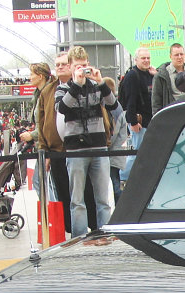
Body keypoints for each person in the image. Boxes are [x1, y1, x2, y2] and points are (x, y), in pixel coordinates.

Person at [56, 45, 122, 238]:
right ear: (70, 67)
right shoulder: (63, 88)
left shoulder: (96, 86)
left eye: (85, 65)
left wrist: (101, 82)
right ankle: (78, 237)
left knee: (103, 198)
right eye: (78, 66)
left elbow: (113, 105)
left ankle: (105, 234)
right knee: (77, 200)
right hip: (76, 150)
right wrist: (76, 84)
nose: (82, 69)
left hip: (99, 147)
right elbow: (62, 109)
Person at [36, 51, 73, 234]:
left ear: (71, 65)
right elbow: (41, 122)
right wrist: (44, 150)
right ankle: (68, 229)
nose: (59, 67)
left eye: (63, 64)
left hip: (80, 149)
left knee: (82, 194)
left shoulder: (80, 85)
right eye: (57, 64)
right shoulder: (47, 91)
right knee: (63, 193)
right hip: (56, 151)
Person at [119, 48, 156, 185]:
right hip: (139, 123)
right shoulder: (132, 76)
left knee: (145, 153)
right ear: (136, 60)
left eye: (148, 58)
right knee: (137, 152)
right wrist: (133, 122)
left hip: (150, 121)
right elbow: (130, 101)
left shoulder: (151, 75)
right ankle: (123, 178)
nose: (146, 60)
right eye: (143, 58)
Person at [19, 62, 53, 203]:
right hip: (41, 144)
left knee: (42, 183)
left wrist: (32, 135)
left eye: (32, 74)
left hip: (48, 146)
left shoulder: (46, 95)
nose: (30, 77)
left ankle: (51, 214)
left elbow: (48, 125)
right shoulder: (39, 95)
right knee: (42, 183)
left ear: (40, 76)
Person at [103, 76, 128, 203]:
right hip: (117, 153)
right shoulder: (117, 107)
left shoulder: (113, 109)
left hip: (113, 154)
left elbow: (113, 133)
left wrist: (105, 146)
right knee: (114, 183)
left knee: (114, 186)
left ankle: (120, 209)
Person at [152, 43, 185, 115]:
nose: (179, 57)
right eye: (176, 55)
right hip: (171, 115)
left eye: (181, 54)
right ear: (170, 56)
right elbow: (156, 102)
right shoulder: (161, 75)